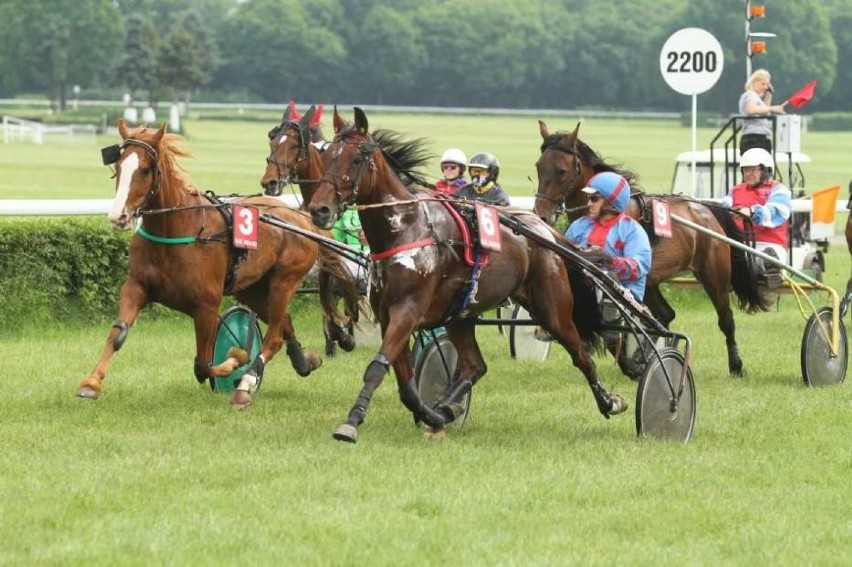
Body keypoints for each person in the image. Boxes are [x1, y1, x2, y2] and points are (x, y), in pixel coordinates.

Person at [565, 171, 651, 302]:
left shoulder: (632, 231)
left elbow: (638, 268)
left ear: (611, 203)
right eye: (589, 199)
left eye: (594, 199)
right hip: (581, 289)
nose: (589, 204)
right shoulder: (579, 225)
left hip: (619, 297)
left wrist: (608, 261)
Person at [722, 147, 792, 287]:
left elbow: (775, 211)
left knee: (759, 259)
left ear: (765, 170)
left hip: (770, 245)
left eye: (753, 170)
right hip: (740, 245)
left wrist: (752, 212)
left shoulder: (778, 189)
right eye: (745, 170)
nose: (748, 174)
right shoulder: (735, 191)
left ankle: (768, 267)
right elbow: (723, 207)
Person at [739, 69, 787, 155]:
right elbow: (751, 109)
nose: (765, 87)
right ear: (754, 82)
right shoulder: (750, 95)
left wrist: (768, 96)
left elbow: (764, 111)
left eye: (767, 85)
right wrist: (772, 108)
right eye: (763, 84)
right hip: (754, 138)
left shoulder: (755, 97)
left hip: (759, 137)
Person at [332, 208, 370, 292]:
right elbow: (335, 238)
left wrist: (371, 235)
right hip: (351, 254)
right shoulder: (347, 211)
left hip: (372, 255)